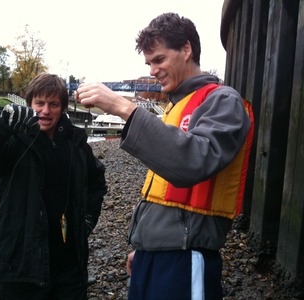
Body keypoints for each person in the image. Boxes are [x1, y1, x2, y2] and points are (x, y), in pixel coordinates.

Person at [76, 12, 254, 300]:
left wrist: (124, 108)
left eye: (159, 60)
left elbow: (192, 163)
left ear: (186, 49)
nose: (152, 70)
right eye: (149, 63)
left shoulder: (223, 100)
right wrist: (147, 245)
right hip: (155, 255)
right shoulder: (176, 106)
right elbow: (164, 190)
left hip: (186, 257)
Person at [0, 73, 107, 299]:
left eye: (53, 104)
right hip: (22, 263)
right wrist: (0, 122)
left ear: (62, 108)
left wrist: (88, 218)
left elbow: (96, 180)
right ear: (30, 104)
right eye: (39, 103)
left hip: (69, 264)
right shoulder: (13, 141)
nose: (45, 110)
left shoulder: (76, 142)